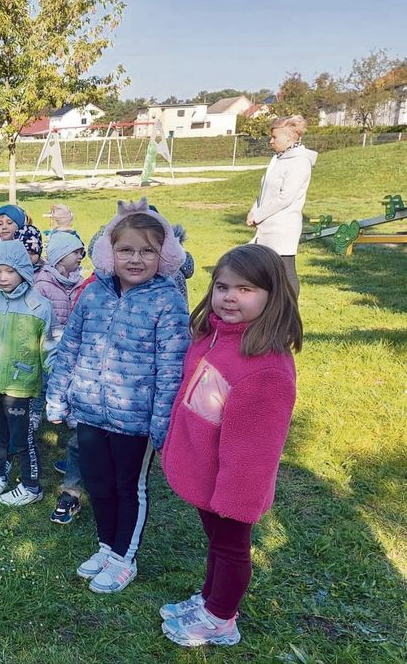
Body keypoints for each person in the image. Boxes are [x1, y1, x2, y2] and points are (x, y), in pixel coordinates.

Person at [160, 244, 302, 647]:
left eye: (246, 289)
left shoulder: (266, 370)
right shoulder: (216, 337)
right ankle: (209, 600)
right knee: (217, 544)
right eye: (222, 286)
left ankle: (221, 618)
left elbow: (255, 451)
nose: (230, 297)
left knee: (231, 547)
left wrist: (235, 499)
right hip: (208, 474)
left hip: (231, 487)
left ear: (272, 295)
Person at [46, 198, 190, 594]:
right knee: (99, 483)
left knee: (129, 488)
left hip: (136, 420)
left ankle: (125, 558)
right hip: (90, 411)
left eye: (148, 251)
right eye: (127, 249)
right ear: (111, 252)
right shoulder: (93, 294)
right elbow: (70, 346)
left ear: (163, 256)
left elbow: (171, 370)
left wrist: (160, 426)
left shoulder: (168, 301)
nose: (136, 259)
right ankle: (107, 547)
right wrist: (58, 396)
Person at [0, 240, 54, 506]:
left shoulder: (39, 307)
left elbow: (49, 350)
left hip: (20, 388)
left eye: (10, 271)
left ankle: (31, 486)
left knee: (21, 438)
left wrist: (58, 386)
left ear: (24, 272)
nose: (3, 278)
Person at [34, 230, 88, 524]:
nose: (81, 257)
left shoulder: (85, 284)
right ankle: (72, 489)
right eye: (75, 251)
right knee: (79, 431)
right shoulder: (45, 284)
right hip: (61, 353)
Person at [247, 115, 316, 297]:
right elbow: (265, 190)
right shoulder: (278, 159)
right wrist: (253, 210)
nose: (271, 141)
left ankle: (290, 311)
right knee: (266, 270)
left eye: (274, 137)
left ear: (288, 137)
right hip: (267, 225)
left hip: (283, 227)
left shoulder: (300, 161)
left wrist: (259, 214)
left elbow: (286, 196)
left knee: (285, 270)